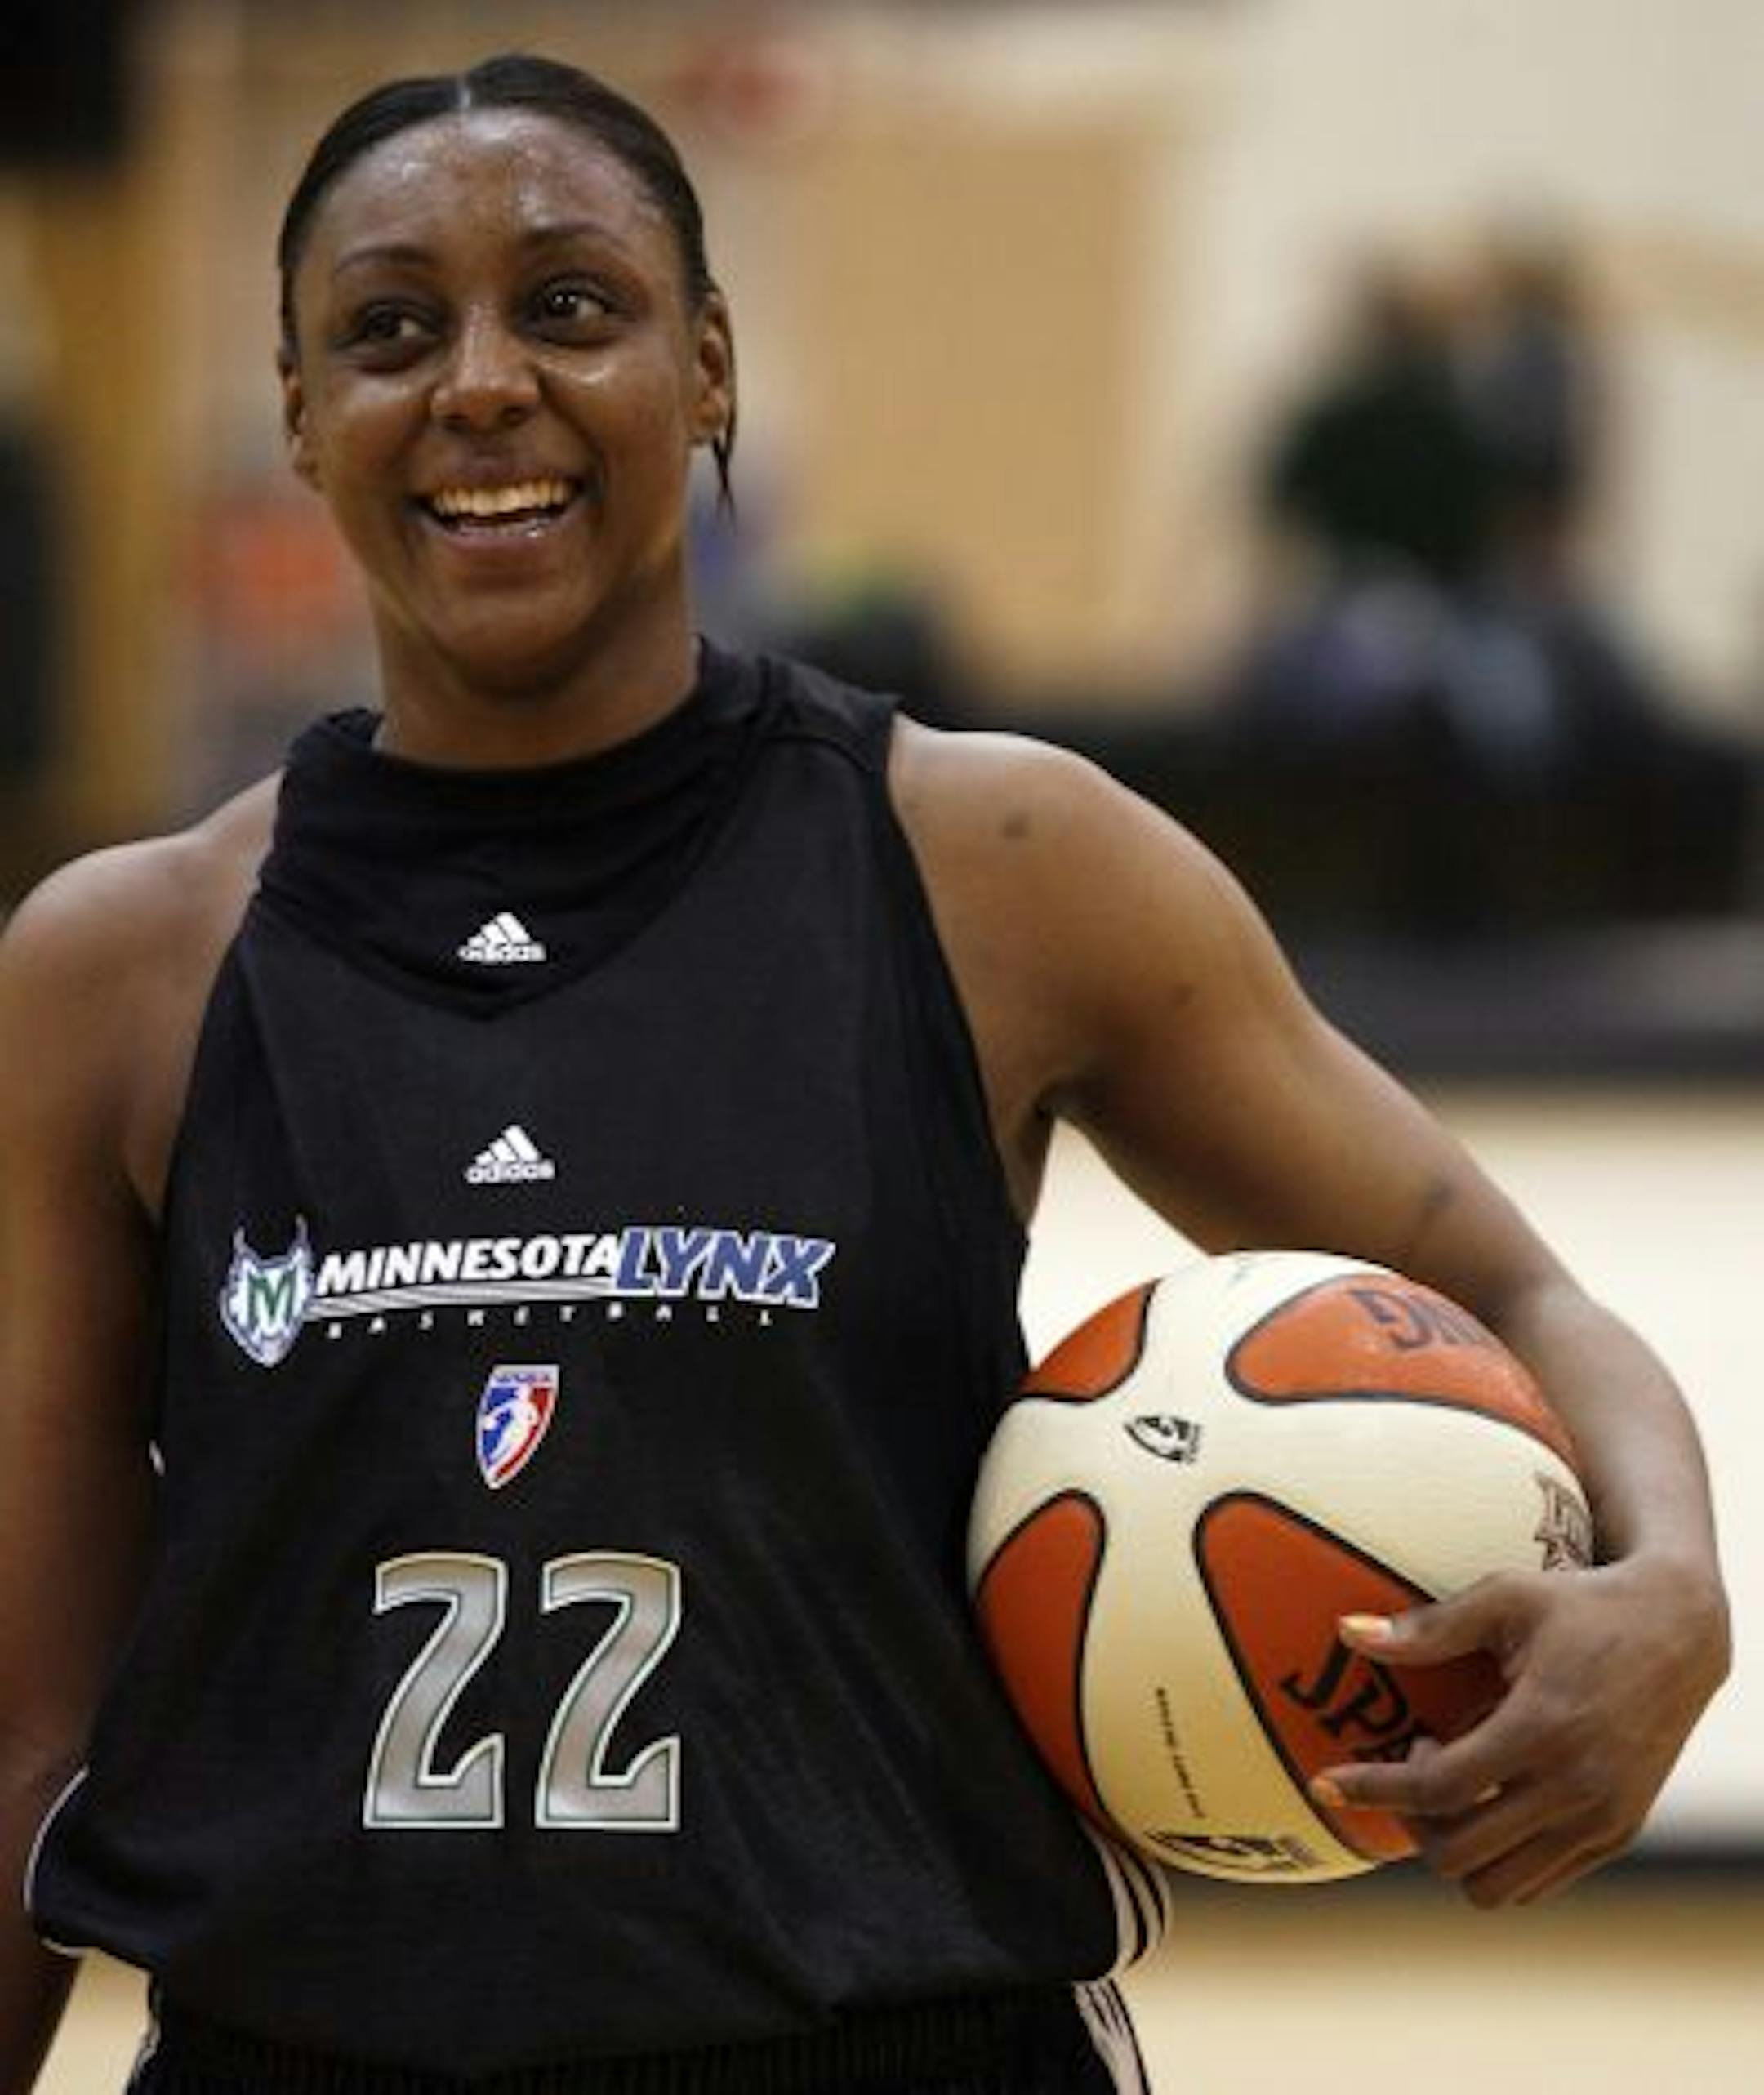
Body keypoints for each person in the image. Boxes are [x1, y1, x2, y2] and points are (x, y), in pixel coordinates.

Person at [0, 53, 1730, 2095]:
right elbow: (28, 1732)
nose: (479, 383)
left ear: (711, 365)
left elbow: (1525, 1302)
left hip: (898, 2044)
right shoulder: (118, 969)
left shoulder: (1000, 862)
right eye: (388, 329)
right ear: (300, 414)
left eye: (571, 304)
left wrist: (1674, 1586)